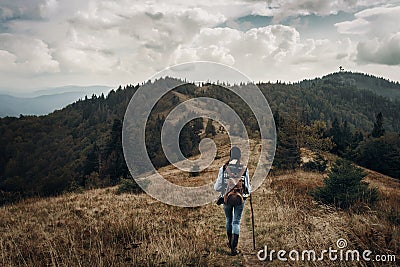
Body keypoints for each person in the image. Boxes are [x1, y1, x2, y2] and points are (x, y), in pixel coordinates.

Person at [214, 146, 251, 256]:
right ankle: (234, 247)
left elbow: (217, 187)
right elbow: (248, 188)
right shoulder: (244, 169)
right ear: (239, 156)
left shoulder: (224, 168)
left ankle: (230, 243)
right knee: (236, 221)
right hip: (240, 199)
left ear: (230, 156)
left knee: (228, 219)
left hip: (226, 199)